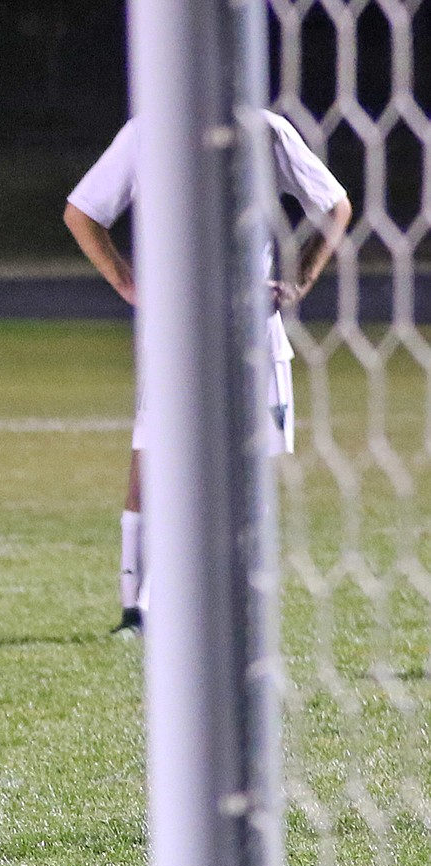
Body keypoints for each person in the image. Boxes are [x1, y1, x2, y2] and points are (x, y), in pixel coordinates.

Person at [64, 109, 352, 637]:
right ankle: (136, 614)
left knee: (250, 477)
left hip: (254, 338)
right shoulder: (149, 129)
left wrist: (299, 281)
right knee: (151, 470)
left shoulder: (265, 130)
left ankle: (241, 602)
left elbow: (335, 206)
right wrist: (130, 285)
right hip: (176, 338)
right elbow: (82, 212)